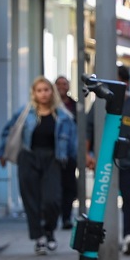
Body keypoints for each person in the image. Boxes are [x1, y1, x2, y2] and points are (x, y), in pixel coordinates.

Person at [0, 77, 77, 255]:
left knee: (52, 200)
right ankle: (39, 237)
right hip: (29, 157)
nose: (43, 94)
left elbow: (73, 140)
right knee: (31, 200)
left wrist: (78, 159)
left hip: (53, 159)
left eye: (46, 90)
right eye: (39, 90)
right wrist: (2, 153)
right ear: (34, 93)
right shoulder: (25, 113)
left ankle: (49, 230)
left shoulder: (63, 116)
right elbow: (8, 131)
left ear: (52, 92)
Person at [85, 66, 130, 255]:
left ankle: (129, 235)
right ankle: (98, 241)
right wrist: (86, 155)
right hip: (103, 162)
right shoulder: (98, 105)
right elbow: (88, 130)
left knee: (128, 199)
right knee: (101, 201)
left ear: (126, 83)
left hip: (125, 161)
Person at [55, 76, 80, 230]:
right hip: (53, 153)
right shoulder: (49, 106)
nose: (62, 87)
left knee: (69, 186)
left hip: (70, 154)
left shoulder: (76, 107)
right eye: (58, 84)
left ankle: (66, 216)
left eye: (65, 84)